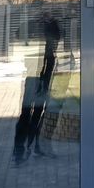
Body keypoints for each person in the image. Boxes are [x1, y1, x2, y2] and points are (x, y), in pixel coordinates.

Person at [13, 11, 61, 162]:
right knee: (26, 112)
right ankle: (19, 150)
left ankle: (35, 145)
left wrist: (50, 22)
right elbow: (18, 35)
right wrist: (36, 24)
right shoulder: (29, 24)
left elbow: (58, 37)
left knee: (39, 111)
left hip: (46, 73)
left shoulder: (51, 25)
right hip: (33, 73)